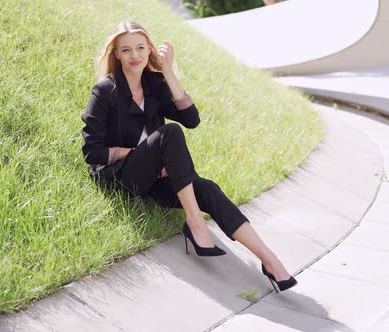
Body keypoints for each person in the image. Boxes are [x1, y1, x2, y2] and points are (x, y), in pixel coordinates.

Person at [80, 21, 297, 292]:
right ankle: (195, 224)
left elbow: (191, 120)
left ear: (150, 50)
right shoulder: (105, 91)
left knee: (207, 189)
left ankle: (270, 261)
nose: (134, 56)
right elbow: (92, 151)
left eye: (140, 48)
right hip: (122, 177)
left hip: (155, 181)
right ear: (117, 55)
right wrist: (145, 155)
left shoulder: (155, 84)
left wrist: (169, 72)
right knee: (169, 133)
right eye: (126, 50)